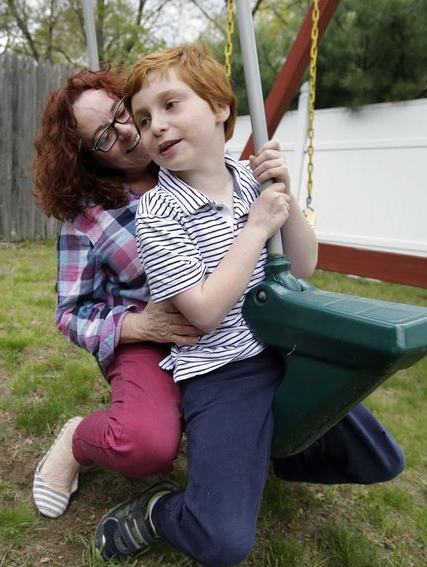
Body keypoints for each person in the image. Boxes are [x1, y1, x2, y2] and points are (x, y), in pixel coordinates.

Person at [93, 45, 405, 567]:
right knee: (222, 543)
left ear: (219, 107)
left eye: (172, 105)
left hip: (285, 348)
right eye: (145, 119)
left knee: (379, 459)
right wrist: (258, 226)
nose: (157, 127)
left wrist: (281, 198)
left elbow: (302, 266)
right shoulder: (157, 212)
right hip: (222, 370)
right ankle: (161, 512)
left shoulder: (248, 180)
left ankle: (263, 456)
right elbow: (203, 311)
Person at [30, 69, 287, 519]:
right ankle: (78, 439)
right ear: (87, 159)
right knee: (145, 445)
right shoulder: (86, 221)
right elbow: (70, 313)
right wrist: (138, 325)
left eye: (122, 113)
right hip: (152, 334)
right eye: (104, 136)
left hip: (225, 324)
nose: (127, 133)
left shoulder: (197, 161)